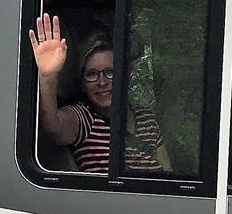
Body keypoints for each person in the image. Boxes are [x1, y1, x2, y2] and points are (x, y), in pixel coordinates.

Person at [29, 13, 170, 174]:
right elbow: (53, 127)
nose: (102, 82)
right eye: (92, 74)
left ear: (124, 76)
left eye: (110, 72)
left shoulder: (147, 119)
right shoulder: (84, 119)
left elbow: (168, 174)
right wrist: (48, 76)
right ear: (82, 84)